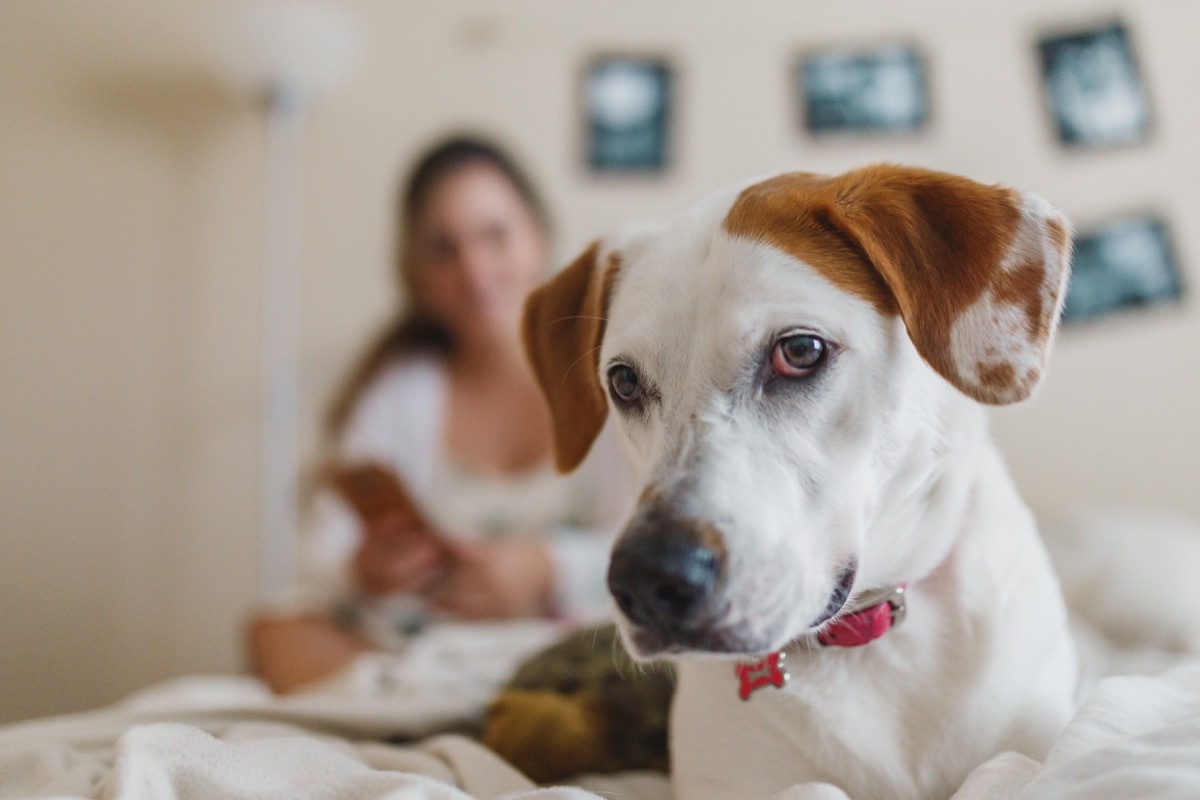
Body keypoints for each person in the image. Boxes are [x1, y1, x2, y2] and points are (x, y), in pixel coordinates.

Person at [249, 136, 630, 694]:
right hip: (427, 651)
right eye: (443, 249)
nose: (474, 268)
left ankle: (442, 709)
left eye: (494, 235)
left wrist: (545, 568)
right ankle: (441, 706)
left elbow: (652, 540)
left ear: (539, 235)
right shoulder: (402, 389)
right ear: (416, 272)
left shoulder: (609, 372)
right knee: (272, 631)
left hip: (567, 647)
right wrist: (367, 568)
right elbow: (320, 553)